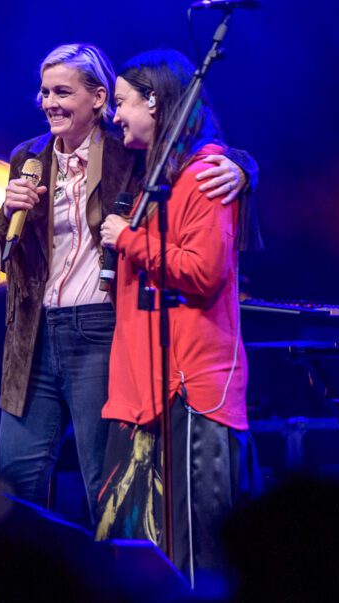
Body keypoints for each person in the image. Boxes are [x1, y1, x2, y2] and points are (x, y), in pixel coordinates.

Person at [0, 43, 258, 523]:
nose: (49, 102)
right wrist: (8, 211)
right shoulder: (27, 156)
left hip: (99, 328)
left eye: (62, 92)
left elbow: (189, 141)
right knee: (15, 481)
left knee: (104, 482)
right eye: (44, 91)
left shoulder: (127, 151)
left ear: (99, 97)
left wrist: (244, 167)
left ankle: (108, 580)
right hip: (31, 334)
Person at [97, 49, 259, 582]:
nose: (114, 114)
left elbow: (203, 270)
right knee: (148, 556)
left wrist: (130, 240)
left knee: (196, 553)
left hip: (191, 388)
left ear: (155, 101)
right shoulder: (159, 175)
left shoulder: (204, 174)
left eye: (121, 102)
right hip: (151, 388)